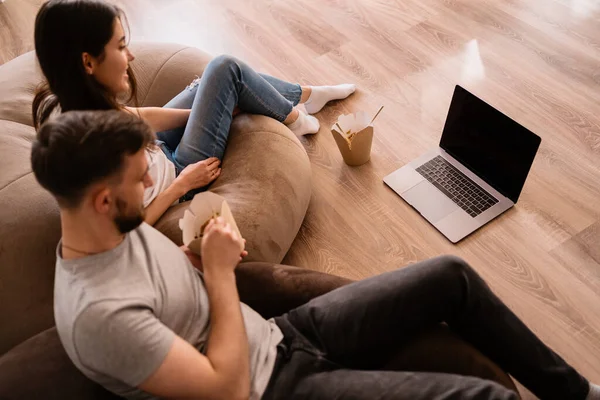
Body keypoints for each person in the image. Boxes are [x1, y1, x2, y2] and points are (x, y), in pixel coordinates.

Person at [32, 110, 599, 400]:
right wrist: (224, 276)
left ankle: (573, 393)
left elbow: (172, 295)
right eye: (141, 181)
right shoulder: (97, 316)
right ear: (105, 200)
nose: (154, 185)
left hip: (281, 334)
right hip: (270, 388)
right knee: (478, 397)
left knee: (451, 275)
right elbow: (224, 390)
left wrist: (199, 258)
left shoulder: (110, 228)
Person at [32, 0, 356, 225]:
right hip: (178, 172)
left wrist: (209, 109)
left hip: (154, 150)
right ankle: (295, 118)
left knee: (213, 84)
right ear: (88, 62)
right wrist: (182, 185)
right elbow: (123, 232)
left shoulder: (76, 101)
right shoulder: (80, 145)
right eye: (119, 46)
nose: (129, 55)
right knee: (224, 68)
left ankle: (305, 95)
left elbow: (140, 117)